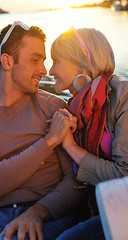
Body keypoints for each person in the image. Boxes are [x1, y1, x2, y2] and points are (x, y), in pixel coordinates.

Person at [0, 22, 88, 240]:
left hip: (47, 212)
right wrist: (49, 140)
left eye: (44, 60)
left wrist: (37, 213)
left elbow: (75, 182)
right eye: (35, 60)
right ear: (7, 61)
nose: (44, 70)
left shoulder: (54, 107)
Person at [46, 27, 128, 239]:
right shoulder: (75, 108)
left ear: (81, 60)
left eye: (56, 60)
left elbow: (123, 177)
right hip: (93, 206)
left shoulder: (122, 97)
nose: (49, 71)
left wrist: (70, 146)